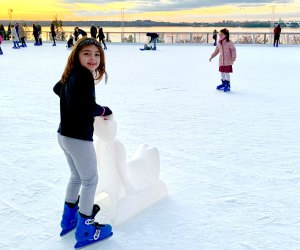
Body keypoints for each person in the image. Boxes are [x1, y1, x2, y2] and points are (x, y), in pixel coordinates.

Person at [53, 37, 113, 248]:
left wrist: (71, 99)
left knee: (76, 176)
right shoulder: (84, 76)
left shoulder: (70, 75)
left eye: (97, 54)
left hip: (64, 136)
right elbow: (89, 106)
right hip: (78, 138)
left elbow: (57, 88)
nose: (93, 58)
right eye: (86, 53)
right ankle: (86, 227)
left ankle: (68, 217)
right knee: (90, 180)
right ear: (77, 55)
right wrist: (104, 111)